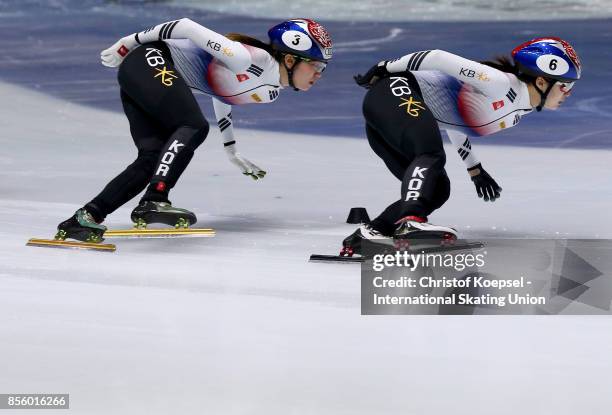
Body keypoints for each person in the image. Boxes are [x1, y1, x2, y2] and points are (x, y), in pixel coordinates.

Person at [56, 18, 333, 242]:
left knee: (152, 158)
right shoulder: (246, 58)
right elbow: (185, 26)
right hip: (150, 59)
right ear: (289, 60)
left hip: (143, 75)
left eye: (323, 67)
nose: (319, 74)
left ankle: (84, 218)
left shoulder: (271, 91)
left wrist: (231, 150)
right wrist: (129, 42)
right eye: (316, 65)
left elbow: (223, 94)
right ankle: (155, 199)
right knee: (193, 125)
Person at [342, 37, 581, 256]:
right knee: (430, 153)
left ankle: (372, 232)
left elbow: (456, 121)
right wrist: (384, 67)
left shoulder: (517, 110)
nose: (568, 93)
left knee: (437, 189)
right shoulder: (500, 84)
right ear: (541, 81)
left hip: (388, 112)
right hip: (394, 91)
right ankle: (410, 221)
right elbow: (437, 57)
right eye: (565, 86)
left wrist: (474, 168)